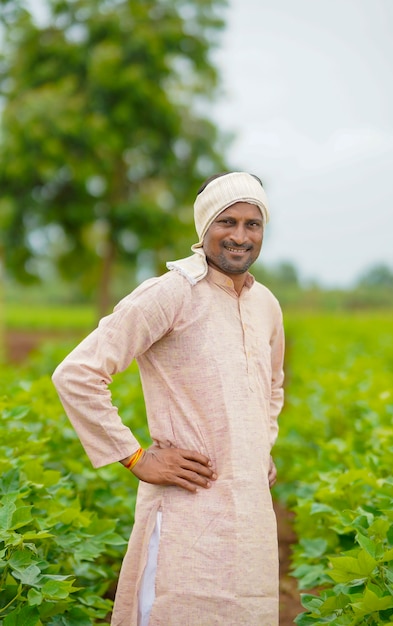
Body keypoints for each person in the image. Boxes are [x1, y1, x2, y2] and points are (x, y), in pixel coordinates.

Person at [52, 171, 285, 626]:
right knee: (176, 608)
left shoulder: (267, 305)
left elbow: (272, 386)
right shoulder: (173, 293)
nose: (240, 236)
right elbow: (77, 374)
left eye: (252, 224)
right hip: (188, 509)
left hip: (252, 511)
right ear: (204, 229)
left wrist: (262, 445)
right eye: (227, 222)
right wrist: (135, 457)